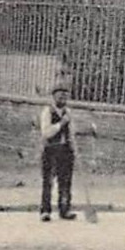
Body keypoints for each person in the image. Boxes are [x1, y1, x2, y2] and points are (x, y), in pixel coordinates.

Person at [38, 82, 77, 221]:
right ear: (54, 97)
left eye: (65, 97)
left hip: (65, 150)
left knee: (65, 181)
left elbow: (71, 132)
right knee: (48, 181)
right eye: (60, 96)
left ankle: (64, 209)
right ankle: (45, 210)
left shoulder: (68, 112)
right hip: (51, 150)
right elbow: (46, 132)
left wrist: (73, 147)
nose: (62, 100)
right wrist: (61, 124)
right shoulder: (47, 111)